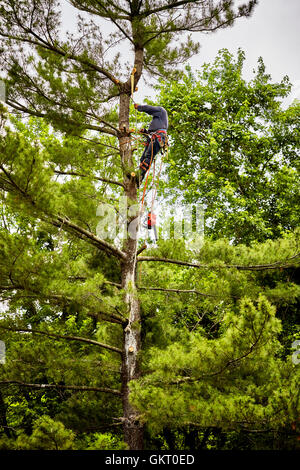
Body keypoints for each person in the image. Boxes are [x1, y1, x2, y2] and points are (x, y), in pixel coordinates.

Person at [133, 104, 168, 186]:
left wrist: (139, 107)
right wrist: (145, 132)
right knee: (143, 158)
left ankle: (139, 176)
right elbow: (152, 132)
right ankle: (139, 178)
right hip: (153, 137)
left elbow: (149, 109)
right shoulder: (159, 120)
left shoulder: (161, 110)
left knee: (148, 156)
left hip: (158, 137)